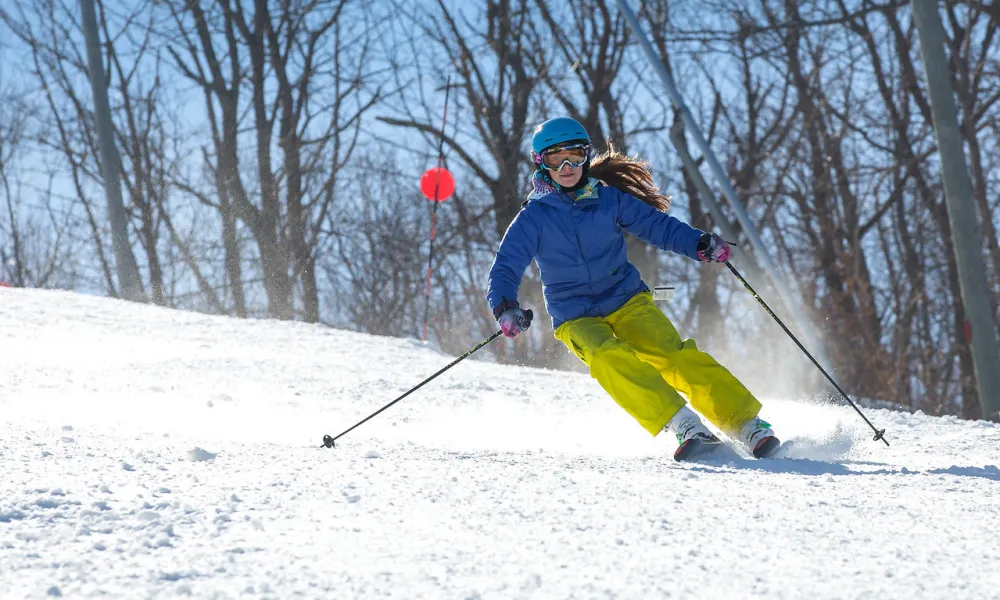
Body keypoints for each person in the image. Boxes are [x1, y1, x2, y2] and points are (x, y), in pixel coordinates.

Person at [486, 117, 779, 461]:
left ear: (586, 156)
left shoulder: (608, 199)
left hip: (625, 299)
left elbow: (657, 226)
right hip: (575, 315)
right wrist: (506, 306)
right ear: (541, 163)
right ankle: (682, 423)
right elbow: (505, 265)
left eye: (575, 156)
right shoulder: (533, 218)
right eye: (556, 158)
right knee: (607, 356)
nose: (567, 166)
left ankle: (745, 423)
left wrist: (698, 243)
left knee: (672, 353)